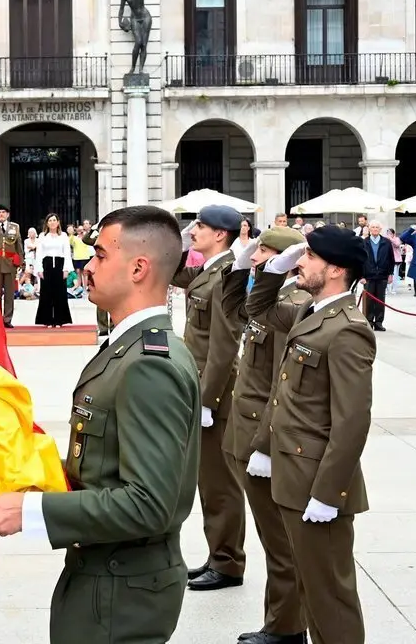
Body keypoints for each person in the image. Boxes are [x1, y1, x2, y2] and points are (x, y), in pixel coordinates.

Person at [0, 205, 202, 644]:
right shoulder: (128, 348)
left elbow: (148, 504)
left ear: (138, 268)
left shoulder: (148, 364)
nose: (89, 265)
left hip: (121, 592)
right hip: (103, 575)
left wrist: (30, 512)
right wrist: (22, 481)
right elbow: (102, 464)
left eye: (98, 255)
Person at [245, 226, 375, 644]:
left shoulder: (348, 329)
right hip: (292, 475)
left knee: (330, 598)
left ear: (336, 269)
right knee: (309, 586)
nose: (300, 261)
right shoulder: (310, 312)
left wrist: (329, 493)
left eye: (310, 257)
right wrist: (273, 270)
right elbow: (256, 308)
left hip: (316, 482)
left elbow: (352, 420)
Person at [223, 227, 310, 644]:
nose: (256, 258)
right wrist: (239, 267)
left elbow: (283, 382)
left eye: (265, 253)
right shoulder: (269, 298)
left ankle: (286, 626)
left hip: (262, 431)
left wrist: (267, 443)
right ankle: (281, 622)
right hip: (243, 426)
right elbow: (232, 312)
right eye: (257, 253)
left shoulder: (294, 303)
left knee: (280, 543)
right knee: (271, 538)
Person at [171, 204, 248, 592]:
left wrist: (207, 399)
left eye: (199, 226)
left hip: (214, 387)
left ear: (221, 234)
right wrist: (181, 243)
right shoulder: (208, 268)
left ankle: (229, 562)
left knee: (220, 480)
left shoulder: (228, 275)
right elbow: (173, 273)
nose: (194, 230)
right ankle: (219, 554)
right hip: (201, 382)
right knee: (207, 478)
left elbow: (223, 345)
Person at [35, 212, 74, 327]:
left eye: (54, 220)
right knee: (46, 293)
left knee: (59, 293)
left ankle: (59, 319)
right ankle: (46, 319)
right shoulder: (42, 236)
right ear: (47, 223)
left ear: (58, 222)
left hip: (59, 265)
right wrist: (39, 269)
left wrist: (66, 269)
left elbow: (67, 252)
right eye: (50, 220)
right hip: (46, 265)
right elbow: (39, 253)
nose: (52, 222)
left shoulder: (63, 236)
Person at [359, 220, 395, 332]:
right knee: (369, 301)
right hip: (368, 276)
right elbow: (359, 260)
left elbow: (391, 259)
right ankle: (368, 322)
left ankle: (379, 322)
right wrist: (361, 276)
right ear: (369, 229)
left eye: (377, 227)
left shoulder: (387, 242)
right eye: (372, 227)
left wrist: (390, 274)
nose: (374, 229)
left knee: (380, 300)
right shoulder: (364, 242)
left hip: (382, 276)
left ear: (380, 229)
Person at [0, 205, 23, 328]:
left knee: (10, 294)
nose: (1, 214)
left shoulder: (15, 227)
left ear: (8, 214)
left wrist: (20, 262)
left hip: (10, 264)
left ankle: (7, 319)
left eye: (3, 212)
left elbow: (18, 246)